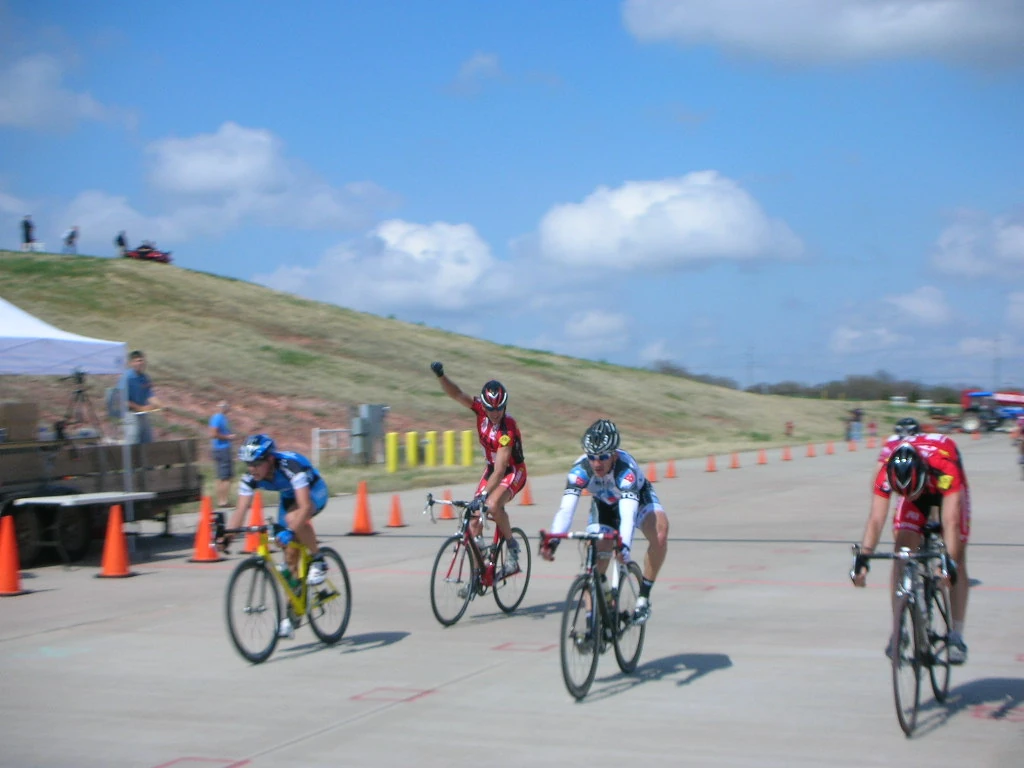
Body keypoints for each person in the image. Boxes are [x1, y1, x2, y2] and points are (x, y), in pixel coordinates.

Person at [851, 434, 971, 664]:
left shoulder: (945, 467)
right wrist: (863, 559)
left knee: (957, 552)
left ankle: (956, 635)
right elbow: (876, 519)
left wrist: (950, 564)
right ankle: (899, 630)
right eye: (902, 493)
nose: (909, 496)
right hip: (919, 483)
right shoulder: (886, 472)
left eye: (911, 491)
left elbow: (951, 522)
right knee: (902, 550)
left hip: (942, 485)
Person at [540, 419, 669, 625]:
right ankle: (593, 622)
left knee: (660, 535)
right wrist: (552, 541)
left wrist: (624, 545)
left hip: (637, 500)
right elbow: (566, 510)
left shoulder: (625, 471)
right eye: (592, 457)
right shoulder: (580, 470)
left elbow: (628, 515)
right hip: (604, 505)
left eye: (603, 457)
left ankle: (643, 597)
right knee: (596, 559)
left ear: (614, 454)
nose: (597, 463)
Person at [221, 434, 330, 639]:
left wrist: (290, 531)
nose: (252, 469)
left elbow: (305, 507)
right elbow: (241, 510)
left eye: (256, 464)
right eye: (248, 464)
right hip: (289, 498)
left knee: (293, 519)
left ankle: (318, 560)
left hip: (314, 491)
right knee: (289, 559)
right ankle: (292, 614)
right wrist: (227, 536)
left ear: (270, 460)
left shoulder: (290, 466)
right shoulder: (250, 479)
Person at [430, 361, 526, 578]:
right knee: (473, 517)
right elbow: (456, 394)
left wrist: (483, 495)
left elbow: (501, 470)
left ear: (505, 406)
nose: (495, 413)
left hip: (512, 471)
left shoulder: (507, 428)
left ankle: (512, 546)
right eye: (491, 408)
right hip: (492, 469)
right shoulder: (480, 411)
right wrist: (441, 376)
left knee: (491, 504)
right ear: (484, 406)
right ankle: (477, 575)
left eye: (499, 408)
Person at [121, 350, 162, 444]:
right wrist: (139, 408)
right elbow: (122, 399)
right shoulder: (127, 377)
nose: (140, 363)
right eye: (137, 361)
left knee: (147, 440)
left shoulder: (145, 378)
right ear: (131, 363)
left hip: (143, 414)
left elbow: (149, 394)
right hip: (131, 415)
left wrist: (160, 405)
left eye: (142, 361)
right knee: (133, 441)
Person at [208, 401, 236, 508]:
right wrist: (228, 437)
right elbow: (213, 434)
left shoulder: (222, 418)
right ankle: (223, 501)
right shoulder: (218, 418)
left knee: (221, 476)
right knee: (226, 476)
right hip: (222, 449)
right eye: (227, 407)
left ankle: (222, 500)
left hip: (220, 449)